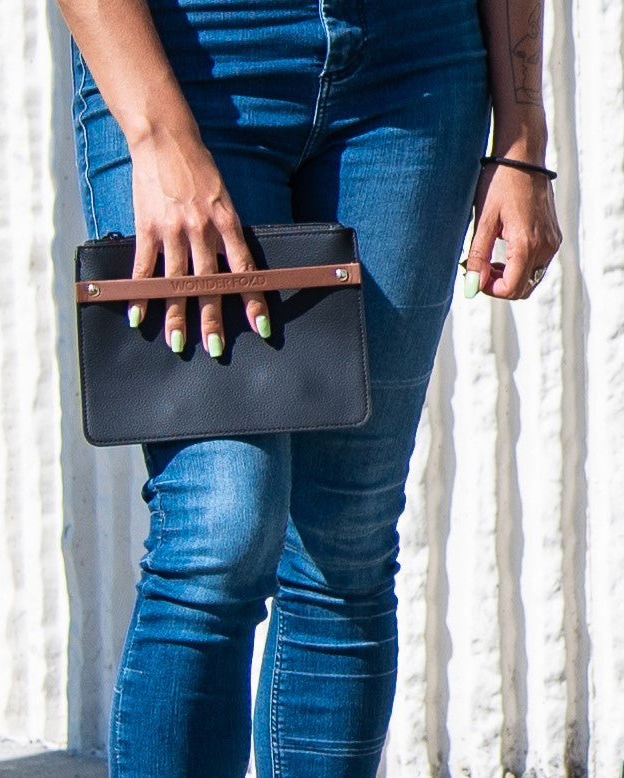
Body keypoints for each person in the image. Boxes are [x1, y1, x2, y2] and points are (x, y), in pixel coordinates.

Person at [56, 0, 561, 774]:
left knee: (345, 542)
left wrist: (523, 136)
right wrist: (159, 138)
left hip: (416, 65)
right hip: (190, 56)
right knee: (218, 532)